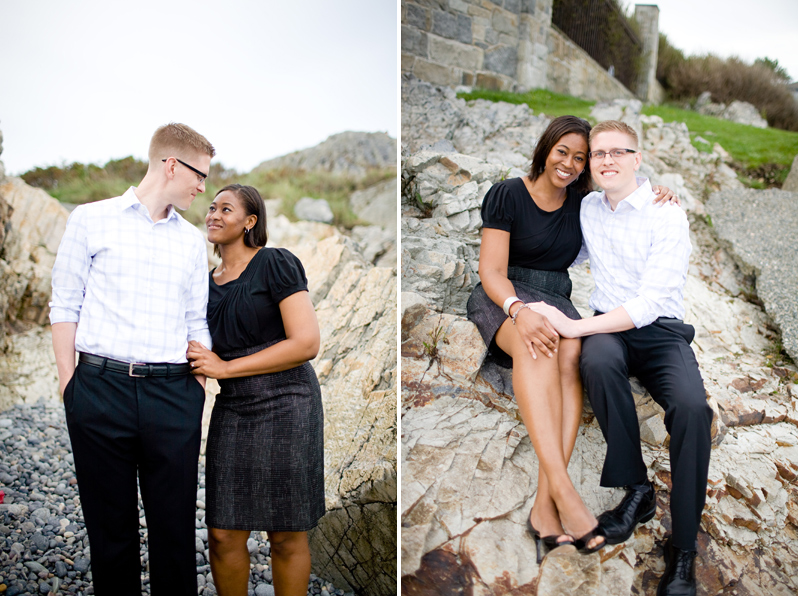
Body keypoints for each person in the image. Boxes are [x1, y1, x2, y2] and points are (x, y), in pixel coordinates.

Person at [466, 115, 675, 562]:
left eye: (581, 158)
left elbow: (624, 192)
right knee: (534, 347)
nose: (570, 163)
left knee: (572, 352)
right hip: (504, 293)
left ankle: (544, 509)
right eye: (563, 152)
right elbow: (490, 271)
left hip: (556, 295)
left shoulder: (583, 200)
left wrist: (657, 192)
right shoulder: (508, 193)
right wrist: (518, 311)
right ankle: (563, 490)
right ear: (546, 149)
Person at [528, 120, 711, 596]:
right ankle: (638, 489)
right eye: (599, 154)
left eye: (617, 152)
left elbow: (651, 303)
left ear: (637, 158)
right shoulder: (587, 207)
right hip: (611, 328)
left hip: (662, 333)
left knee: (693, 409)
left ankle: (684, 549)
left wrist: (574, 326)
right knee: (597, 362)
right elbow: (554, 235)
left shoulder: (665, 212)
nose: (606, 160)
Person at [50, 123, 215, 595]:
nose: (202, 187)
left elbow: (195, 321)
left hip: (173, 396)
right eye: (199, 175)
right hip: (99, 392)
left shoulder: (189, 240)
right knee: (110, 532)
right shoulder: (90, 219)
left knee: (176, 533)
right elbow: (65, 305)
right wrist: (70, 386)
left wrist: (195, 394)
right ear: (170, 165)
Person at [186, 184, 324, 596]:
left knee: (285, 535)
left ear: (250, 221)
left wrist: (226, 368)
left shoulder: (274, 264)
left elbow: (306, 343)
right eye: (211, 207)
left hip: (288, 402)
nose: (213, 214)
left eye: (225, 209)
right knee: (223, 533)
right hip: (234, 408)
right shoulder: (202, 283)